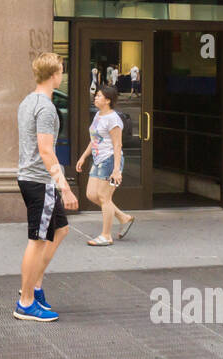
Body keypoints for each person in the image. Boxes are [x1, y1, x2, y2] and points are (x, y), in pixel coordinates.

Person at [15, 52, 79, 321]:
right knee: (38, 240)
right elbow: (45, 150)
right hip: (40, 181)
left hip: (35, 179)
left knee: (61, 230)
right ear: (54, 75)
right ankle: (26, 302)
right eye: (61, 71)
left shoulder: (28, 101)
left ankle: (35, 286)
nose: (61, 75)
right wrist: (64, 186)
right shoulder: (46, 107)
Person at [75, 84, 135, 246]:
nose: (95, 98)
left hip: (109, 160)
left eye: (99, 96)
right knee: (91, 195)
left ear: (108, 100)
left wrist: (117, 170)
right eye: (96, 95)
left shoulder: (113, 119)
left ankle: (106, 235)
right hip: (98, 160)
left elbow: (117, 145)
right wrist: (84, 156)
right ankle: (123, 217)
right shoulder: (98, 115)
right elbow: (94, 139)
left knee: (104, 197)